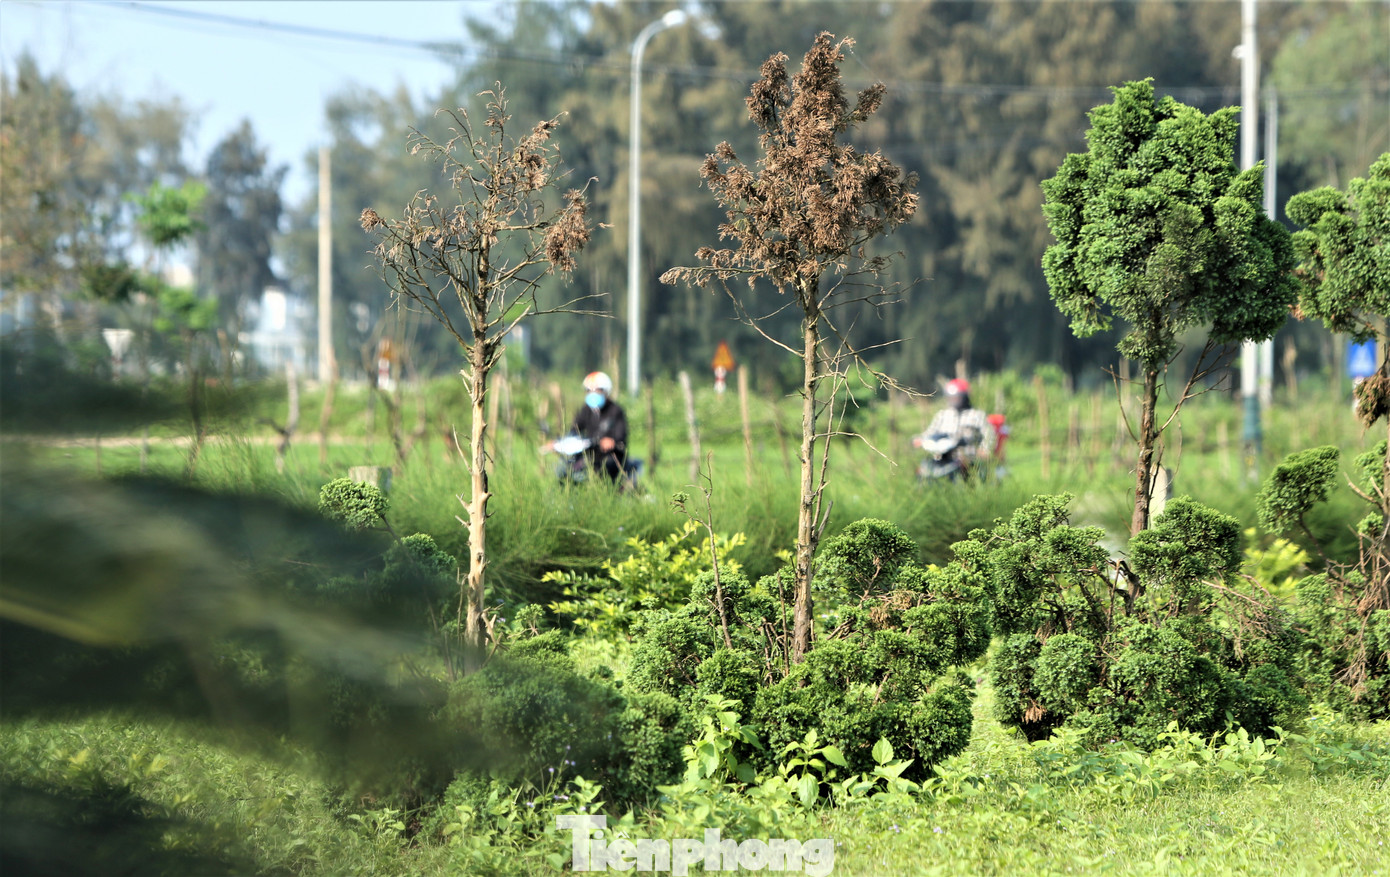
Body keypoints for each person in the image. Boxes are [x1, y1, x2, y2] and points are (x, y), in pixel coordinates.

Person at [915, 378, 995, 478]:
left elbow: (989, 434)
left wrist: (984, 449)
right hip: (943, 455)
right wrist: (919, 439)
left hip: (968, 457)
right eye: (951, 397)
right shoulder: (942, 415)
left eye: (957, 397)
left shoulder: (977, 415)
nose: (953, 400)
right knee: (925, 469)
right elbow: (930, 432)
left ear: (965, 397)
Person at [570, 371, 628, 482]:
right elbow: (574, 430)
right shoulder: (586, 410)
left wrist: (611, 441)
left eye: (597, 390)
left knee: (604, 468)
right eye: (589, 390)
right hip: (590, 453)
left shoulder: (616, 411)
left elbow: (621, 436)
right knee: (568, 470)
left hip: (611, 456)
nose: (593, 393)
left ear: (606, 392)